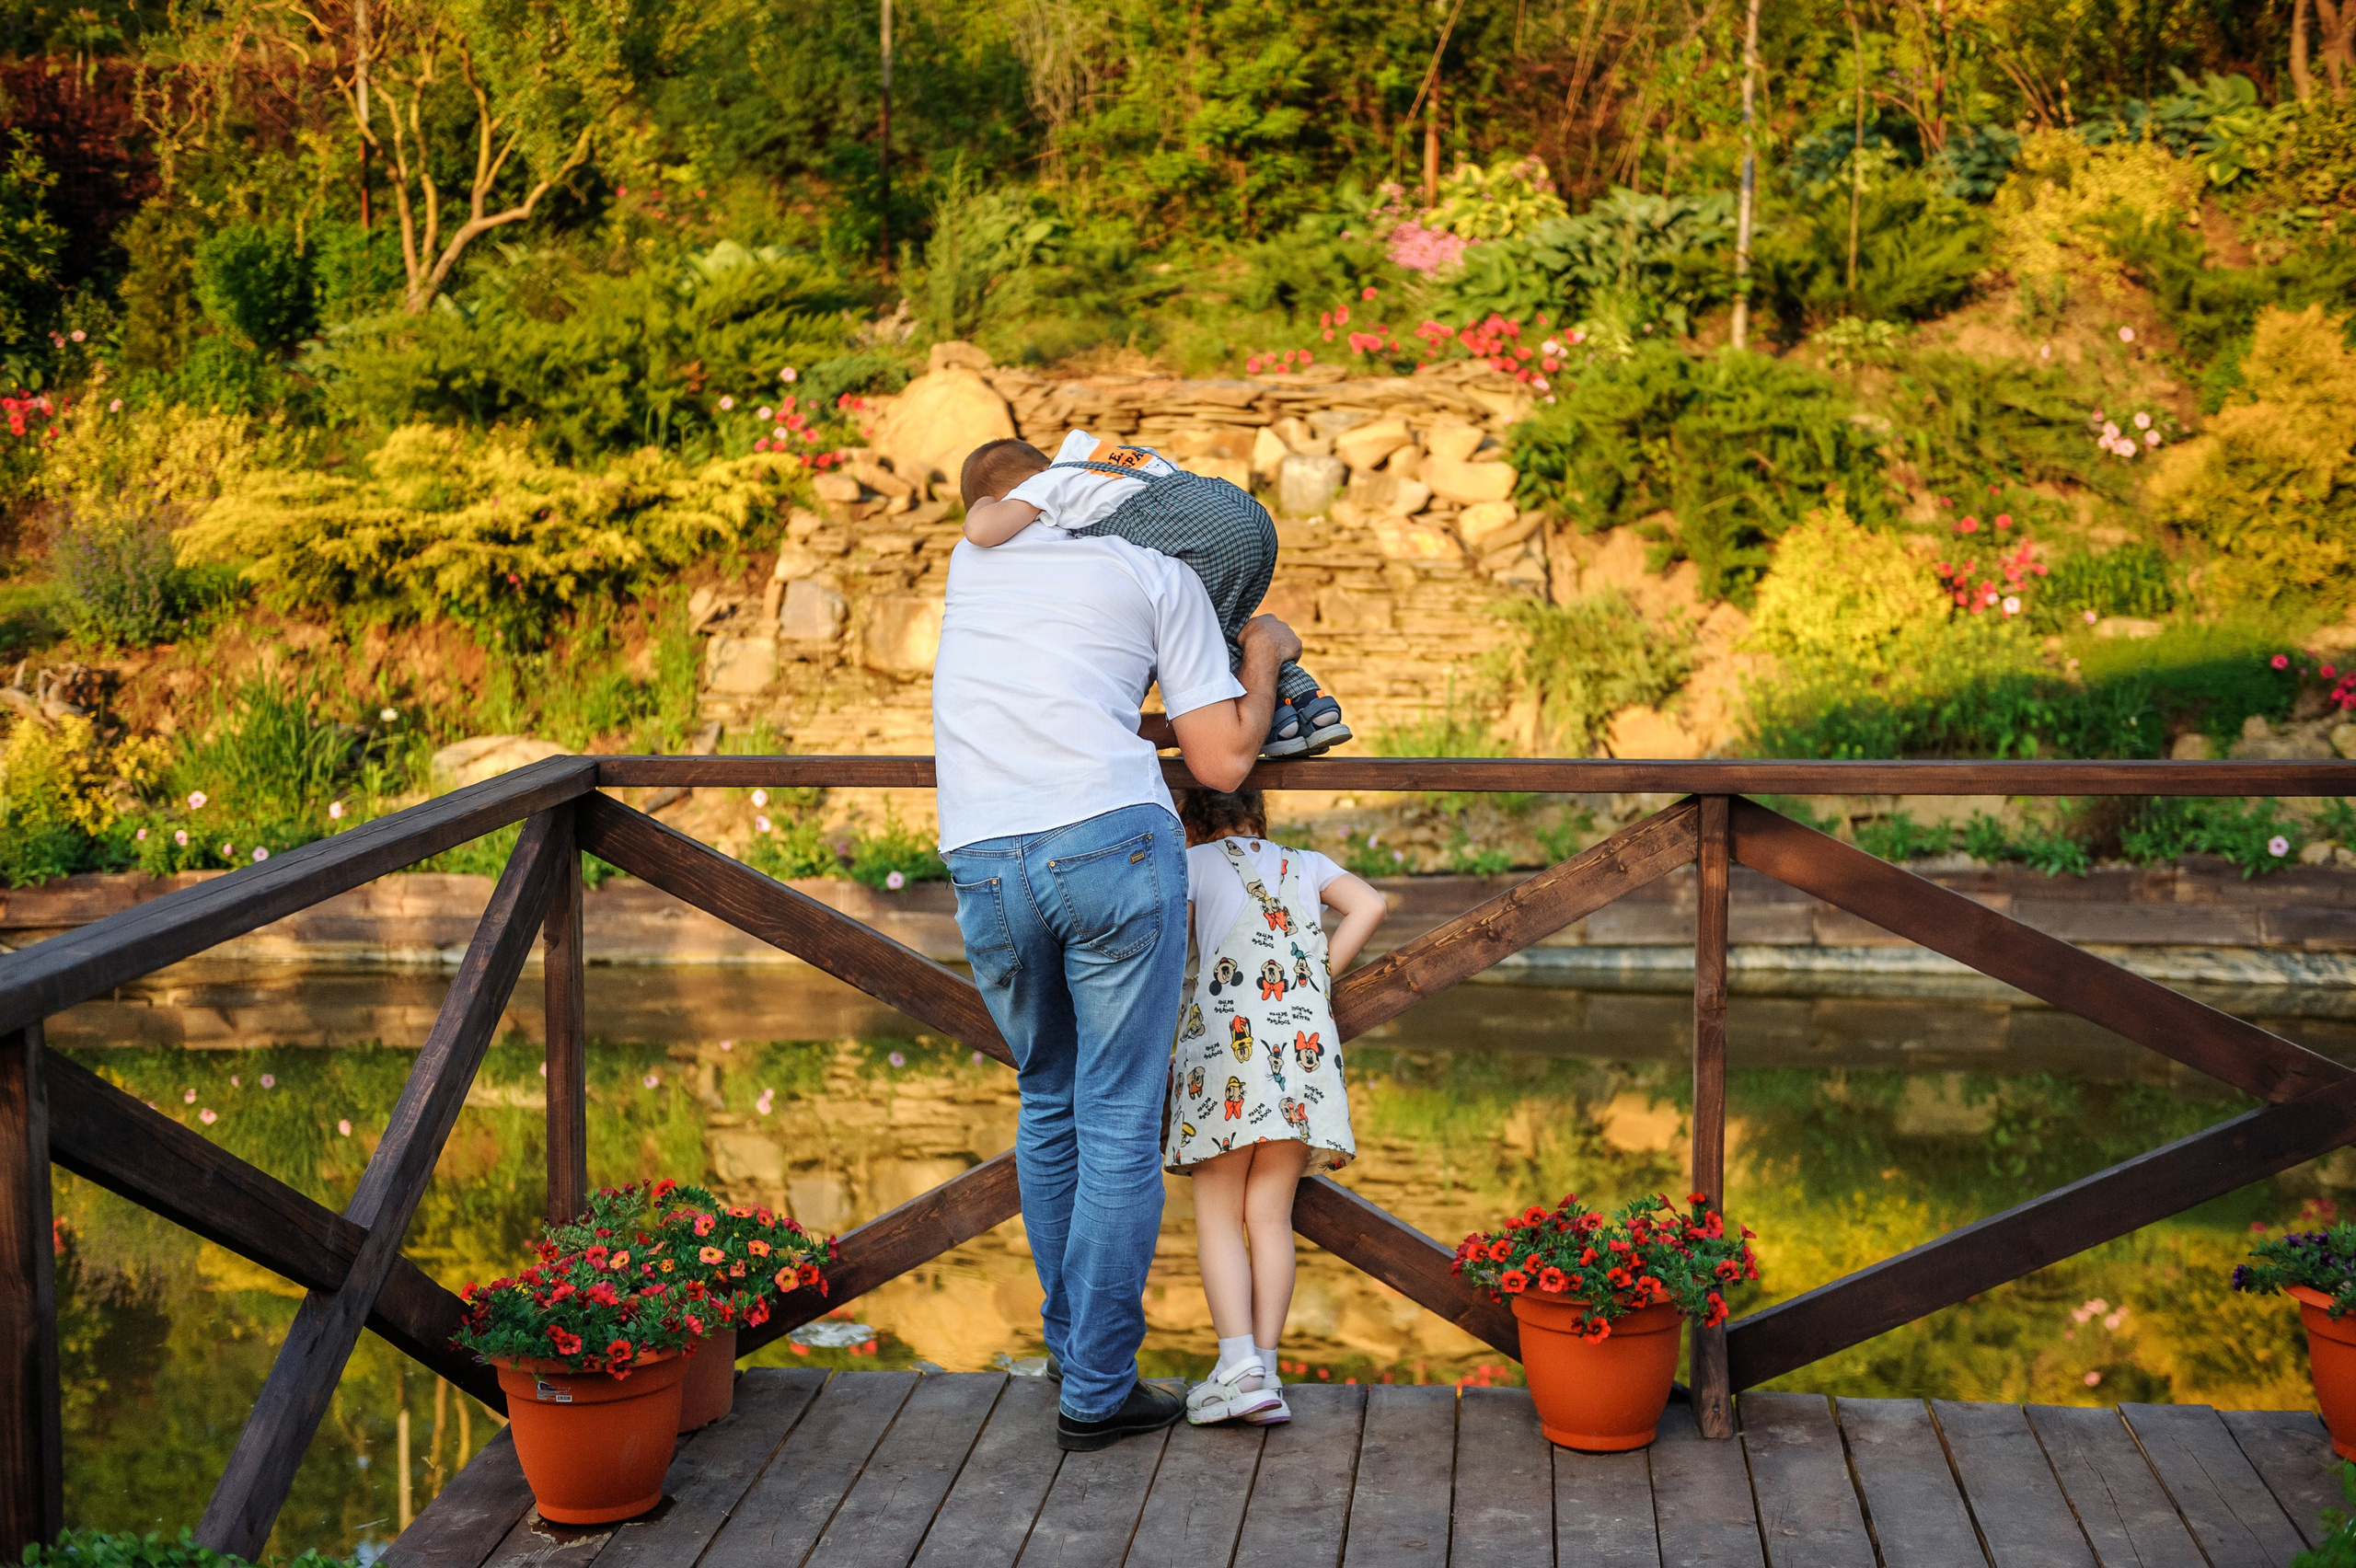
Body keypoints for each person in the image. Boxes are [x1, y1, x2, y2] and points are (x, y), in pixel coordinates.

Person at [930, 493, 1303, 1453]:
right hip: (1107, 843)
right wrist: (1260, 655)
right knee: (1118, 1121)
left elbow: (993, 510)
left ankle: (1071, 1353)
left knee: (1046, 1099)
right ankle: (1096, 1390)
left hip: (982, 851)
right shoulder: (1161, 573)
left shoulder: (977, 559)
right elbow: (1221, 762)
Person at [1162, 786, 1385, 1425]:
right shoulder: (1307, 863)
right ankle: (1267, 1368)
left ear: (1190, 822)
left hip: (1226, 1058)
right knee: (1268, 1217)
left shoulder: (1192, 865)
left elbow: (1176, 958)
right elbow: (1370, 904)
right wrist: (1321, 974)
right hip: (1301, 1058)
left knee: (1217, 1214)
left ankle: (1236, 1367)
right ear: (1259, 817)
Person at [958, 433, 1352, 760]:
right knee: (1221, 633)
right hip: (1241, 512)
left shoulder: (1046, 486)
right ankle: (1306, 704)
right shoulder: (1095, 455)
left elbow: (980, 531)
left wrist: (984, 506)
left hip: (1198, 535)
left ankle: (1265, 722)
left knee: (1201, 646)